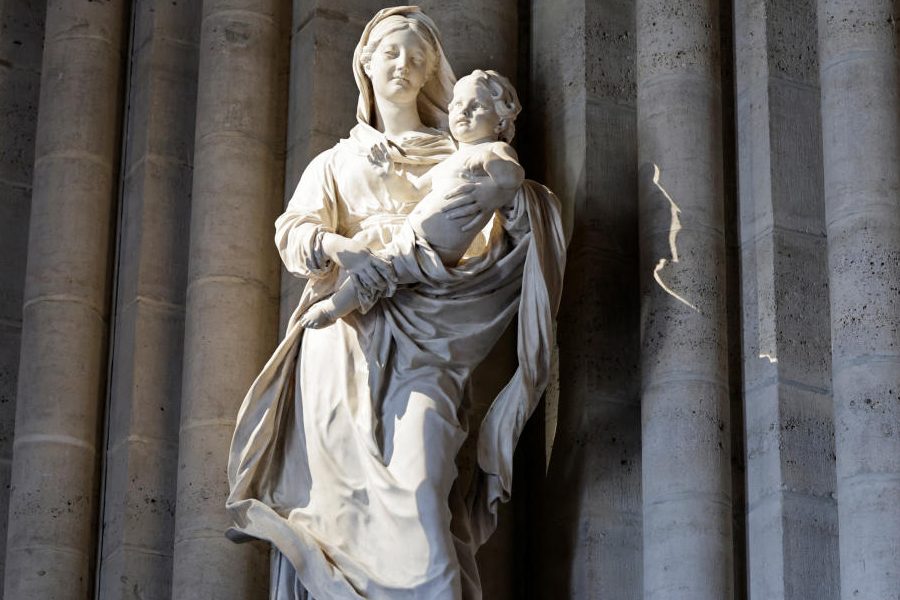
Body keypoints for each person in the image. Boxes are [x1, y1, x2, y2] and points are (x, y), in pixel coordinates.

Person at [226, 7, 566, 600]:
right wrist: (341, 247)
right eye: (390, 53)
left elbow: (501, 239)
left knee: (424, 478)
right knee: (333, 504)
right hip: (343, 339)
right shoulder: (335, 163)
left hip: (429, 334)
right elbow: (292, 234)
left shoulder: (458, 153)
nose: (403, 65)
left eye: (417, 57)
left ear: (433, 70)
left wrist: (515, 210)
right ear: (365, 63)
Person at [299, 69, 525, 330]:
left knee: (379, 273)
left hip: (435, 249)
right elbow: (414, 189)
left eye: (477, 106)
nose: (464, 112)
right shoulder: (451, 161)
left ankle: (332, 308)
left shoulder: (491, 151)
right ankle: (336, 306)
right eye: (459, 105)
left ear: (499, 123)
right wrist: (387, 175)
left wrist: (491, 192)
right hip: (413, 236)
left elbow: (512, 176)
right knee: (379, 269)